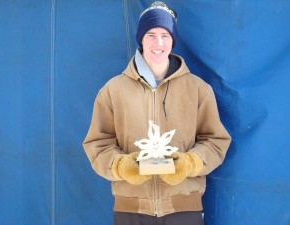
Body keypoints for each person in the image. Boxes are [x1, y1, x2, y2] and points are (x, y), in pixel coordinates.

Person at [83, 1, 231, 225]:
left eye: (165, 35)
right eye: (151, 34)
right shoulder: (113, 91)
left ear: (173, 40)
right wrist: (122, 166)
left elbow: (215, 141)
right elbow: (98, 144)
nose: (158, 42)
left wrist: (189, 163)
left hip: (184, 209)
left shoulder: (199, 89)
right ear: (141, 39)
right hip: (130, 210)